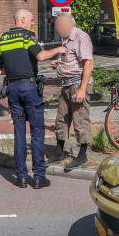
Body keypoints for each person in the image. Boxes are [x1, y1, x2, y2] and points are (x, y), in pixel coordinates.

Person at [0, 9, 63, 189]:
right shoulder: (27, 37)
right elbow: (40, 56)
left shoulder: (2, 40)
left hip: (12, 90)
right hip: (30, 90)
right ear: (22, 19)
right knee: (37, 132)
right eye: (31, 20)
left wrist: (15, 69)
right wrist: (58, 49)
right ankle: (39, 177)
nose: (33, 23)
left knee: (18, 132)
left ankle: (22, 177)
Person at [48, 13, 94, 171]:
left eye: (61, 26)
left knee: (80, 119)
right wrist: (58, 64)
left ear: (70, 24)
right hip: (66, 85)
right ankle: (59, 151)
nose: (59, 30)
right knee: (61, 118)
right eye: (58, 27)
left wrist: (82, 89)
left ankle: (82, 155)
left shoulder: (82, 37)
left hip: (77, 84)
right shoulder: (66, 39)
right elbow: (71, 60)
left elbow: (88, 63)